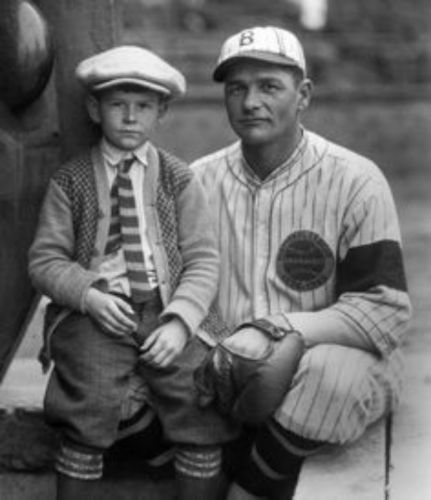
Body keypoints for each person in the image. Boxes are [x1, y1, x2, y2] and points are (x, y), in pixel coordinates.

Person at [190, 26, 412, 500]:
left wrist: (276, 329)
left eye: (269, 86)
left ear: (304, 95)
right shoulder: (196, 182)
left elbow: (385, 310)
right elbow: (177, 286)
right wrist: (223, 346)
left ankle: (249, 487)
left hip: (323, 361)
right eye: (237, 88)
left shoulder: (356, 180)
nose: (251, 102)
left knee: (331, 376)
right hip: (228, 364)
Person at [28, 45, 236, 500]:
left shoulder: (178, 179)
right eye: (117, 104)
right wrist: (89, 295)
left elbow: (203, 259)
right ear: (94, 109)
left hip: (166, 306)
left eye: (142, 106)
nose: (129, 117)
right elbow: (45, 261)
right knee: (89, 397)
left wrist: (181, 321)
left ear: (161, 112)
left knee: (198, 392)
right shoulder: (71, 180)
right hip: (97, 311)